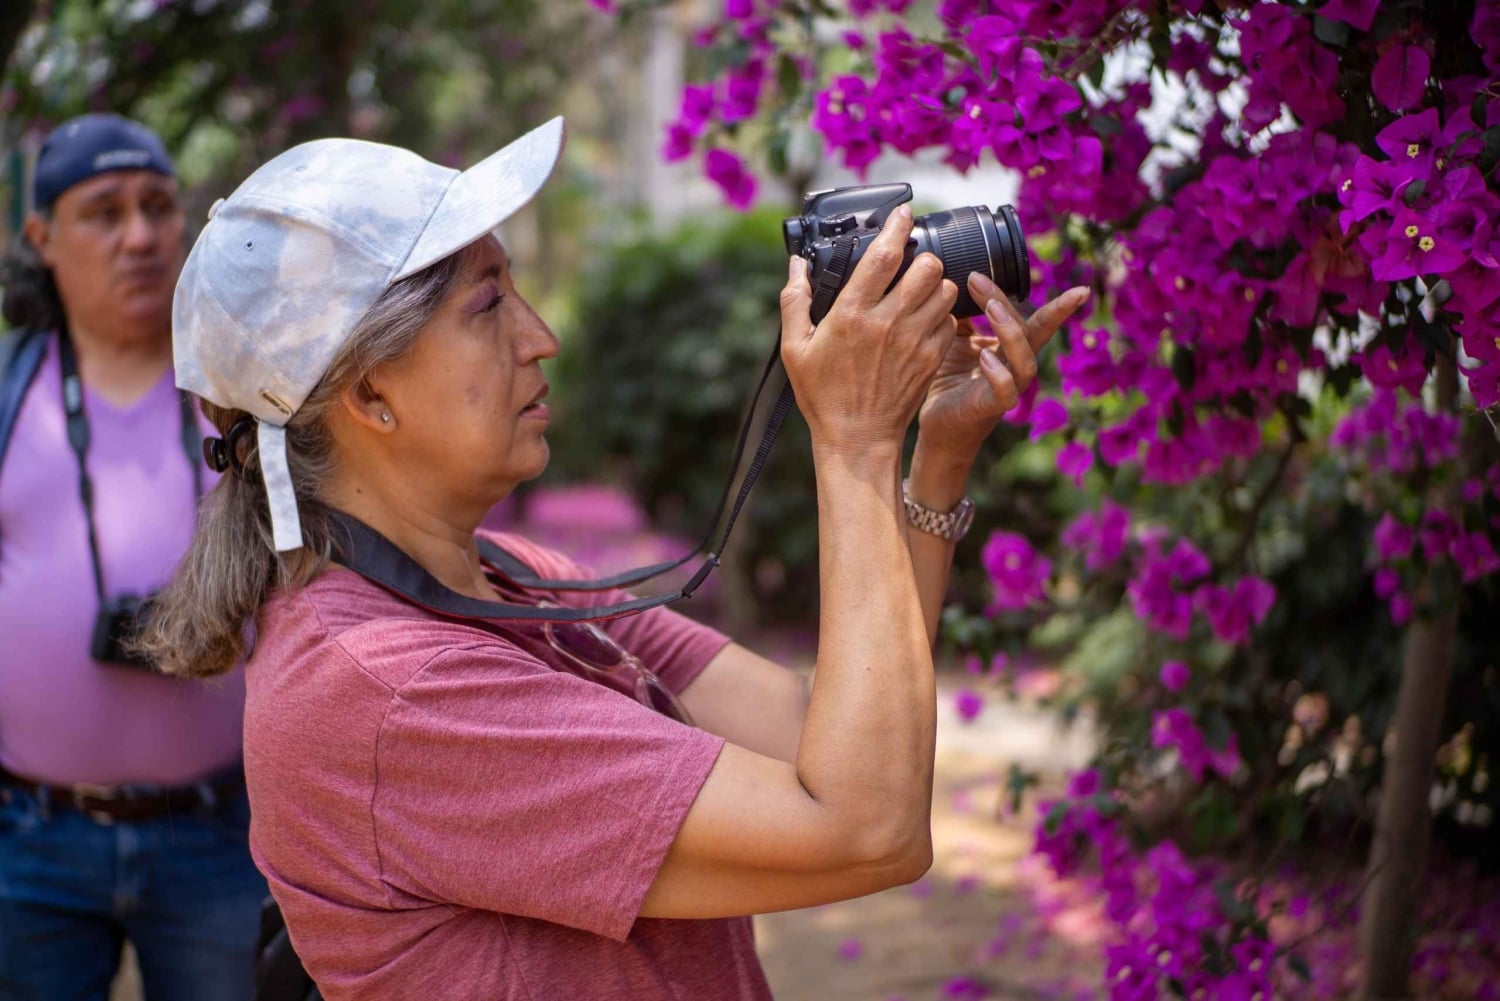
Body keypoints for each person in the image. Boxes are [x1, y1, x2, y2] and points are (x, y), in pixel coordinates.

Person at [146, 117, 1089, 1000]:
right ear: (369, 393)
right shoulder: (390, 693)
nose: (541, 338)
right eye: (489, 305)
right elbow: (864, 829)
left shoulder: (504, 575)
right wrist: (852, 444)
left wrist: (933, 458)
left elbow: (824, 735)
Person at [0, 114, 267, 1001]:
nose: (141, 236)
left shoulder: (241, 389)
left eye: (157, 205)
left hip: (221, 829)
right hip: (30, 834)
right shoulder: (7, 394)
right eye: (104, 212)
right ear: (42, 237)